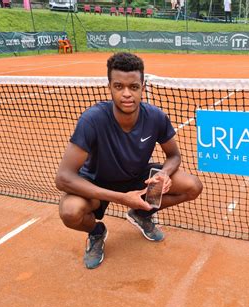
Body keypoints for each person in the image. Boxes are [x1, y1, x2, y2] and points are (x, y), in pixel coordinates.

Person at [55, 52, 203, 269]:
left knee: (192, 187)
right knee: (70, 211)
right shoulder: (92, 120)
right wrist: (122, 198)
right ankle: (96, 232)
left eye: (133, 87)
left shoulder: (155, 117)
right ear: (109, 87)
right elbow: (63, 178)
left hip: (138, 179)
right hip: (97, 182)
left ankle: (142, 213)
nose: (126, 94)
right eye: (119, 86)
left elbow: (174, 156)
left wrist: (164, 173)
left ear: (142, 86)